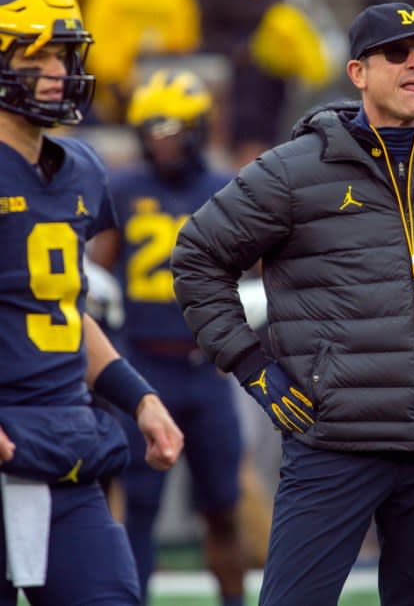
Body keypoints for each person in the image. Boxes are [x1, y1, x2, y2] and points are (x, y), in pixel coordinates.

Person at [170, 1, 414, 605]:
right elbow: (197, 256)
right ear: (358, 73)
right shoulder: (294, 172)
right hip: (335, 444)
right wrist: (252, 367)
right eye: (397, 53)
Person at [0, 0, 183, 605]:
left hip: (61, 450)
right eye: (39, 53)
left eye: (65, 53)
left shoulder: (80, 169)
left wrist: (140, 399)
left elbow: (60, 309)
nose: (58, 70)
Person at [89, 69, 245, 605]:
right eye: (152, 128)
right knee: (139, 507)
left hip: (205, 367)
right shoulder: (125, 188)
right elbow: (96, 277)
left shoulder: (222, 189)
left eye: (174, 127)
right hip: (144, 364)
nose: (163, 139)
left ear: (199, 126)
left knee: (223, 507)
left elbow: (256, 268)